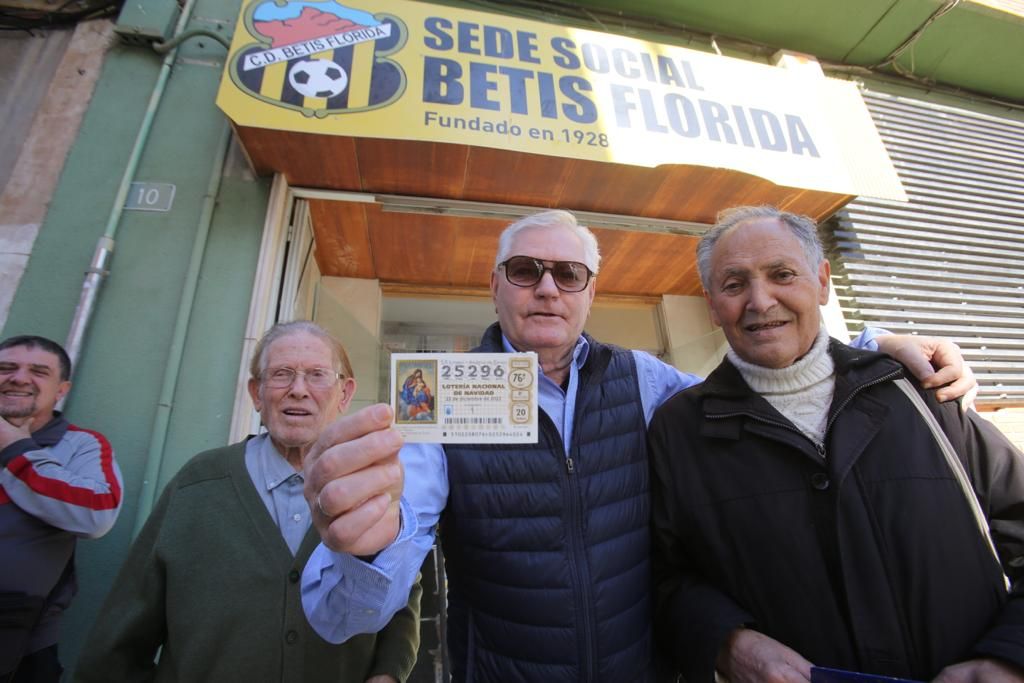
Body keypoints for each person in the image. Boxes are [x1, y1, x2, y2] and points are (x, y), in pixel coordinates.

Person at [300, 210, 978, 682]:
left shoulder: (646, 380)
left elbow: (756, 383)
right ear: (494, 285)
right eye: (525, 269)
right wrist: (364, 547)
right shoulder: (439, 397)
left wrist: (871, 348)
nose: (546, 287)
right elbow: (347, 613)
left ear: (592, 293)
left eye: (568, 274)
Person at [648, 205, 1024, 683]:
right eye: (734, 284)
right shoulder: (678, 431)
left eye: (782, 274)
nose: (760, 301)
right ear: (711, 302)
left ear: (823, 281)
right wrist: (726, 641)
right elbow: (664, 578)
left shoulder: (922, 393)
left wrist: (1008, 656)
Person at [73, 321, 421, 683]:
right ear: (257, 393)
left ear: (344, 394)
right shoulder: (199, 482)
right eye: (282, 375)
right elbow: (124, 631)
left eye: (317, 375)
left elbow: (402, 592)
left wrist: (388, 672)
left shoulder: (367, 484)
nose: (298, 390)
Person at [0, 335, 123, 683]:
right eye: (6, 368)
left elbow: (96, 514)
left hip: (22, 637)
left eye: (38, 371)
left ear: (61, 389)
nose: (20, 378)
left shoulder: (80, 445)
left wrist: (15, 448)